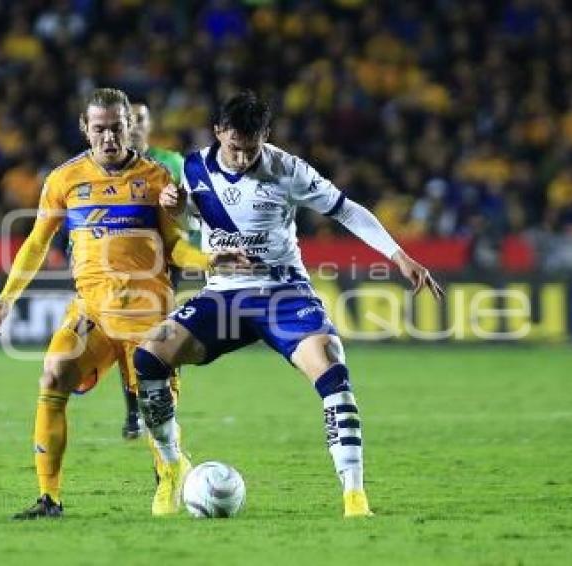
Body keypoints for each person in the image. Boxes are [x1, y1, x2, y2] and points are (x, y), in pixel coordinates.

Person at [133, 91, 444, 518]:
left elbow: (347, 211)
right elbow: (186, 223)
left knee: (332, 367)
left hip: (284, 294)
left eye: (251, 148)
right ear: (219, 132)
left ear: (265, 135)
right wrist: (179, 208)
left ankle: (355, 497)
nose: (242, 158)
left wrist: (399, 255)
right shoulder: (191, 167)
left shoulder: (288, 169)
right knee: (150, 354)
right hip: (223, 295)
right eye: (234, 147)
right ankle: (171, 467)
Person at [0, 88, 244, 520]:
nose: (109, 137)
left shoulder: (157, 179)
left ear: (130, 128)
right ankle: (50, 498)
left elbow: (176, 248)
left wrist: (208, 260)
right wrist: (8, 298)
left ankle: (169, 474)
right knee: (52, 376)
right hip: (92, 313)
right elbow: (35, 243)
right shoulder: (64, 180)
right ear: (85, 129)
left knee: (154, 410)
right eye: (99, 128)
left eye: (116, 128)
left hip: (148, 315)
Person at [115, 102, 188, 439]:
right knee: (126, 341)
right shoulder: (114, 166)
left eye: (142, 119)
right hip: (128, 264)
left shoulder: (171, 162)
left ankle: (161, 407)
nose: (136, 126)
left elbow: (192, 206)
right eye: (131, 120)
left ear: (149, 124)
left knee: (160, 338)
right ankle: (134, 412)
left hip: (167, 261)